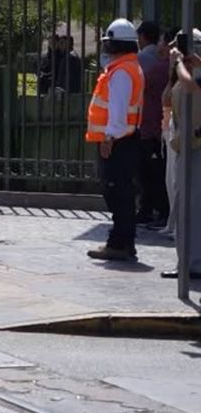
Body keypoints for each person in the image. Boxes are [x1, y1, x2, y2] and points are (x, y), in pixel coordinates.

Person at [85, 17, 144, 261]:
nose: (105, 47)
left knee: (116, 193)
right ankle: (123, 241)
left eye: (108, 43)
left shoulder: (121, 72)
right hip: (126, 139)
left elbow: (118, 112)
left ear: (117, 45)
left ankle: (119, 242)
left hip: (118, 141)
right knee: (122, 193)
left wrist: (109, 138)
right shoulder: (130, 67)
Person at [162, 36, 201, 280]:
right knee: (184, 205)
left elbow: (191, 87)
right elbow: (169, 95)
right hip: (186, 146)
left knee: (192, 208)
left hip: (196, 146)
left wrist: (178, 63)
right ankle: (187, 261)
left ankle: (193, 264)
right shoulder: (189, 72)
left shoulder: (192, 76)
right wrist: (175, 68)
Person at [135, 21, 170, 228]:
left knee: (149, 173)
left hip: (151, 125)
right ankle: (157, 211)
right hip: (160, 125)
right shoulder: (162, 64)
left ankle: (152, 210)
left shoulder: (153, 65)